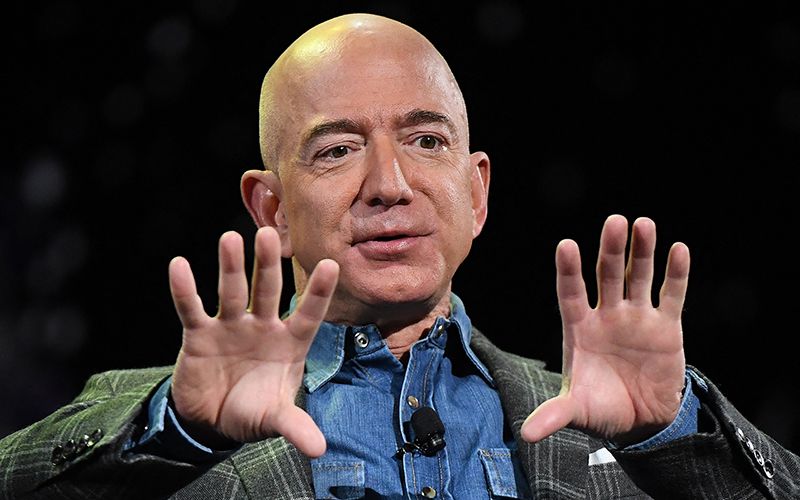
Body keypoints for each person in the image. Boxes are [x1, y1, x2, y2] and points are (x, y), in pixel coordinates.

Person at [1, 12, 798, 500]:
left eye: (426, 141)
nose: (389, 184)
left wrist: (672, 430)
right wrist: (180, 433)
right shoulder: (168, 426)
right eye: (337, 149)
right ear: (271, 209)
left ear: (476, 192)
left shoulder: (615, 427)